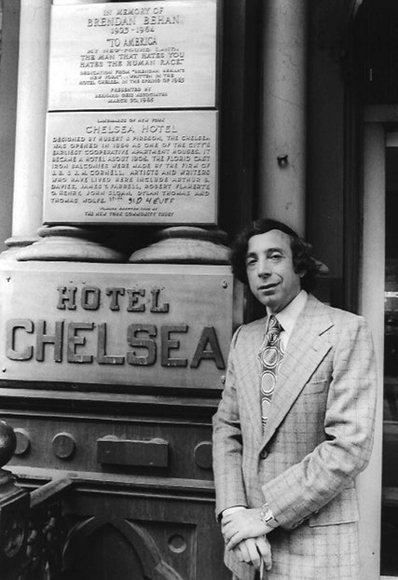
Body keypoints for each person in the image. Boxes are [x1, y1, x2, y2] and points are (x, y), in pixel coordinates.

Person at [212, 218, 377, 580]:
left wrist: (265, 516)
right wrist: (234, 513)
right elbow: (227, 428)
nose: (263, 270)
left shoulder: (347, 331)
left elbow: (349, 447)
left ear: (299, 264)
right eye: (252, 261)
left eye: (275, 257)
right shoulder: (246, 338)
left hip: (316, 551)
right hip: (249, 551)